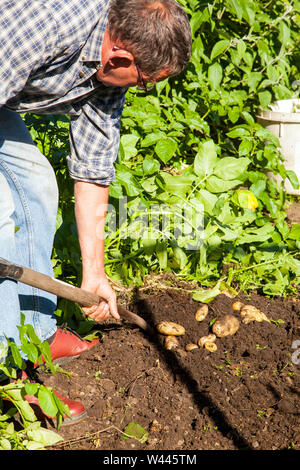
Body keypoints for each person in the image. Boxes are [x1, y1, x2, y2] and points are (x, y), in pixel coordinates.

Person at [0, 0, 192, 424]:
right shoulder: (43, 24)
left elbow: (93, 168)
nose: (140, 89)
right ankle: (8, 374)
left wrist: (95, 272)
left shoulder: (110, 69)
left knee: (36, 184)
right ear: (120, 56)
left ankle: (36, 333)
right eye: (144, 81)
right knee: (1, 212)